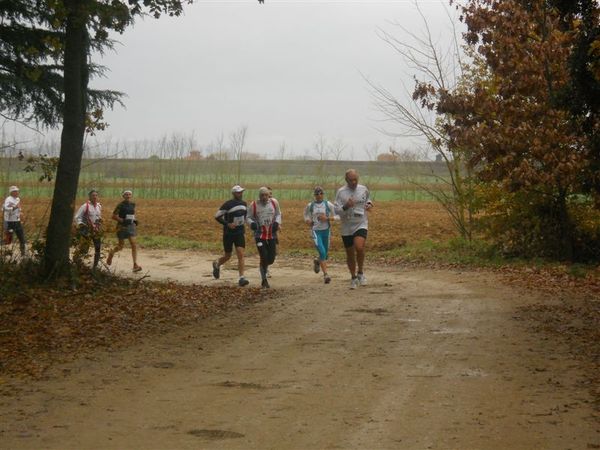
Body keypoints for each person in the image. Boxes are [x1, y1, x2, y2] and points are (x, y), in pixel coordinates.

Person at [334, 169, 374, 289]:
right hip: (346, 226)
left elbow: (369, 200)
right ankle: (353, 277)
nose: (354, 182)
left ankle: (360, 273)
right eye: (351, 180)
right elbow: (336, 210)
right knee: (350, 254)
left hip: (361, 223)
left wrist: (369, 204)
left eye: (355, 179)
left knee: (359, 247)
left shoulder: (363, 189)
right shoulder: (341, 192)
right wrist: (346, 206)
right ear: (346, 180)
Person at [212, 185, 250, 287]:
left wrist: (247, 224)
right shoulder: (227, 204)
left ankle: (242, 278)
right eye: (238, 192)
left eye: (241, 192)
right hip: (229, 234)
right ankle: (217, 264)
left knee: (240, 254)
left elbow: (245, 216)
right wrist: (227, 224)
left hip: (239, 233)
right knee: (228, 256)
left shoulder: (244, 204)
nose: (240, 194)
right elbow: (217, 216)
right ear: (233, 193)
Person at [248, 186, 281, 288]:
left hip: (271, 235)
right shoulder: (253, 205)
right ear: (259, 196)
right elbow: (248, 217)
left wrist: (277, 222)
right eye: (262, 195)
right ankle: (264, 280)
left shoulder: (274, 202)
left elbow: (278, 214)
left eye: (266, 195)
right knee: (263, 256)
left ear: (269, 195)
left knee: (271, 259)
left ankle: (265, 269)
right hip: (259, 235)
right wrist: (251, 224)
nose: (264, 197)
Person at [304, 186, 338, 284]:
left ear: (323, 194)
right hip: (315, 231)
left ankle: (317, 261)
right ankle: (326, 275)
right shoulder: (310, 205)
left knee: (325, 255)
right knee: (322, 252)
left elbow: (337, 216)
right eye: (317, 194)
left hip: (326, 231)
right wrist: (308, 220)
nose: (319, 195)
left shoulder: (328, 204)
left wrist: (327, 218)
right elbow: (305, 215)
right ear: (314, 195)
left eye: (321, 193)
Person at [106, 190, 142, 272]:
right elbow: (113, 216)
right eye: (126, 194)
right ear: (123, 196)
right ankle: (111, 253)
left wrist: (134, 220)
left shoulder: (133, 204)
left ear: (131, 196)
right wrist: (122, 220)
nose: (128, 196)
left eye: (129, 194)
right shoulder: (120, 205)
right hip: (121, 226)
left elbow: (131, 215)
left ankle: (135, 265)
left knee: (133, 244)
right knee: (120, 246)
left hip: (130, 226)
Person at [73, 189, 103, 269]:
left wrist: (100, 220)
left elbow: (99, 216)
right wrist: (81, 225)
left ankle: (95, 267)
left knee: (98, 247)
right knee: (85, 249)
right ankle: (76, 260)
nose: (95, 197)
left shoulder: (99, 206)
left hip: (96, 230)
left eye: (96, 195)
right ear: (89, 197)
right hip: (87, 230)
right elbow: (77, 217)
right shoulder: (85, 206)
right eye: (93, 195)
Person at [3, 185, 26, 255]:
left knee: (22, 238)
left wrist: (20, 212)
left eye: (17, 191)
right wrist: (14, 208)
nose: (17, 192)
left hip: (17, 221)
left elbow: (18, 208)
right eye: (16, 191)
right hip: (9, 222)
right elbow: (4, 208)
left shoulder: (18, 199)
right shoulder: (8, 199)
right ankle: (6, 254)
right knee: (8, 240)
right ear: (12, 192)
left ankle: (23, 253)